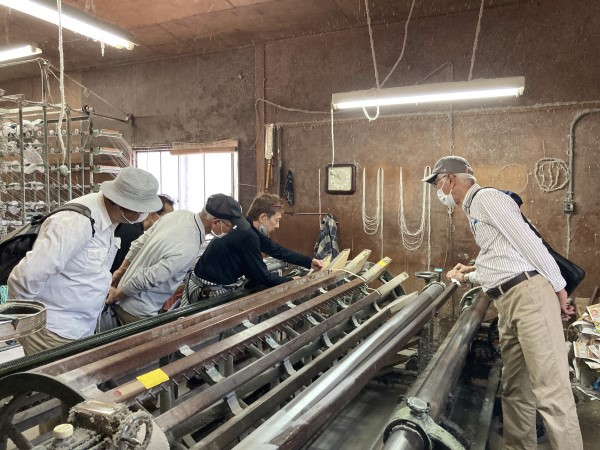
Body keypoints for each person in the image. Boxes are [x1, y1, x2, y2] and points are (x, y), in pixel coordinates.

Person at [423, 156, 582, 450]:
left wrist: (560, 289)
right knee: (516, 389)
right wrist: (468, 275)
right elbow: (502, 259)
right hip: (508, 301)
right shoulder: (475, 209)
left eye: (436, 184)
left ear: (450, 179)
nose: (438, 192)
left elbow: (529, 243)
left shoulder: (486, 198)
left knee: (552, 393)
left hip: (528, 296)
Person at [8, 167, 161, 355]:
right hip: (54, 332)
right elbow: (26, 276)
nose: (145, 216)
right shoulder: (74, 223)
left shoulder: (107, 218)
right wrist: (28, 323)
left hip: (79, 328)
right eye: (142, 211)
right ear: (124, 207)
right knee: (54, 384)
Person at [107, 194, 248, 324]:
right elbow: (148, 277)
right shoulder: (189, 247)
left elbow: (139, 243)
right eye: (231, 226)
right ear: (216, 222)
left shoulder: (179, 215)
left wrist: (120, 271)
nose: (231, 231)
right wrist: (117, 295)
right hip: (137, 311)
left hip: (126, 293)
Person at [184, 193, 324, 304]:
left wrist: (310, 261)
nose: (277, 226)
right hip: (207, 291)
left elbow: (278, 251)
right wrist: (292, 282)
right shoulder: (248, 235)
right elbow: (262, 276)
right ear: (263, 217)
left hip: (197, 281)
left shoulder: (248, 228)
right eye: (277, 220)